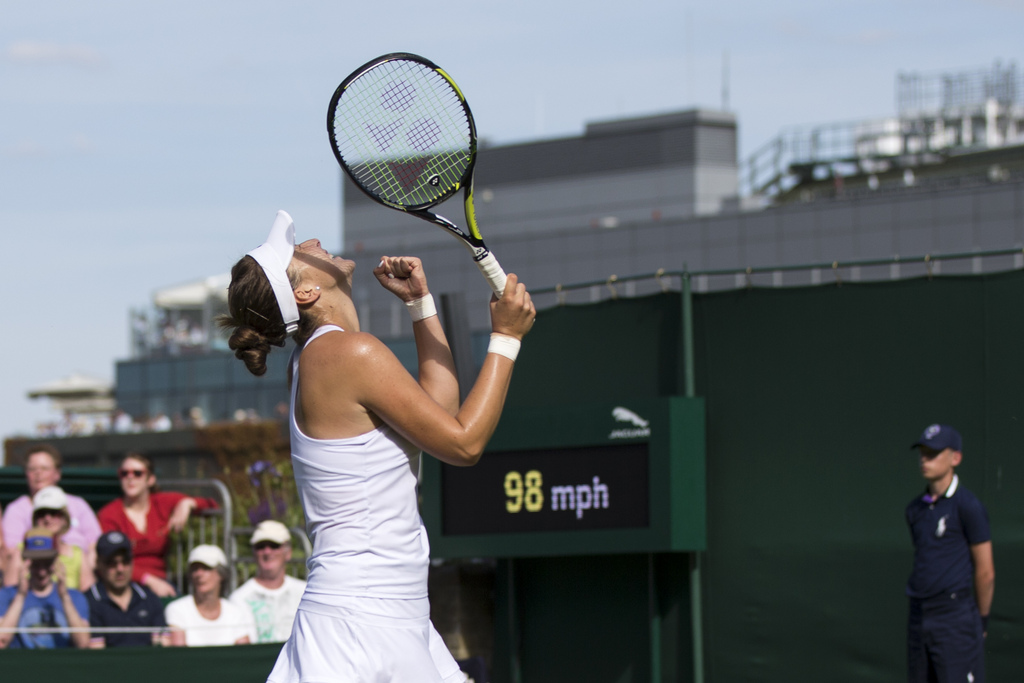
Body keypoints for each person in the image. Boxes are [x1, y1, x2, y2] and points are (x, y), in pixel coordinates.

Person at [218, 211, 534, 681]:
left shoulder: (323, 356)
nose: (317, 240)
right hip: (360, 625)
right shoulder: (346, 353)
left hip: (387, 613)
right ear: (306, 292)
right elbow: (464, 443)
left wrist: (420, 305)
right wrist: (506, 337)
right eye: (302, 250)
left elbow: (439, 412)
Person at [906, 424, 995, 683]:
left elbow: (986, 571)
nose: (925, 460)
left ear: (955, 458)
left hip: (956, 619)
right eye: (922, 453)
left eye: (932, 453)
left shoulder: (969, 506)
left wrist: (982, 622)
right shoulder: (914, 510)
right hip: (919, 615)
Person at [97, 453, 218, 598]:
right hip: (123, 583)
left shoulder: (162, 503)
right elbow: (108, 557)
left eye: (137, 473)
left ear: (151, 479)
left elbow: (213, 505)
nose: (130, 477)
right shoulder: (109, 514)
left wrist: (188, 503)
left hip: (163, 582)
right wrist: (149, 580)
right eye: (124, 473)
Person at [1, 444, 102, 574]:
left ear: (57, 473)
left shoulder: (78, 504)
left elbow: (95, 544)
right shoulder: (16, 509)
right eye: (32, 469)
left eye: (44, 468)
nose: (38, 473)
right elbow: (11, 553)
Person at [0, 527, 90, 649]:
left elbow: (83, 644)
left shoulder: (75, 597)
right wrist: (20, 596)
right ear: (26, 563)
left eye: (47, 563)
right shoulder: (7, 595)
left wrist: (64, 597)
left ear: (55, 562)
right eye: (36, 564)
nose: (41, 572)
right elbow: (2, 641)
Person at [86, 530, 168, 648]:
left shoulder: (149, 599)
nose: (120, 569)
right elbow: (97, 656)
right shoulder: (88, 602)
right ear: (98, 563)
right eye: (112, 563)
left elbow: (163, 648)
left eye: (125, 561)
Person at [229, 520, 306, 643]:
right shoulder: (239, 598)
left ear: (288, 552)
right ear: (253, 553)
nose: (267, 552)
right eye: (260, 546)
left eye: (274, 545)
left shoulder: (305, 592)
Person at [165, 544, 255, 646]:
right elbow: (179, 654)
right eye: (195, 569)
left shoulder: (235, 613)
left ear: (221, 574)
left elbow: (244, 655)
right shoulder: (177, 609)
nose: (199, 574)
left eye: (206, 568)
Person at [24, 486, 93, 591]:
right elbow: (9, 594)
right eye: (41, 514)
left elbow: (88, 597)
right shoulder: (21, 552)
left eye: (53, 513)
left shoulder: (78, 555)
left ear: (65, 518)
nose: (47, 518)